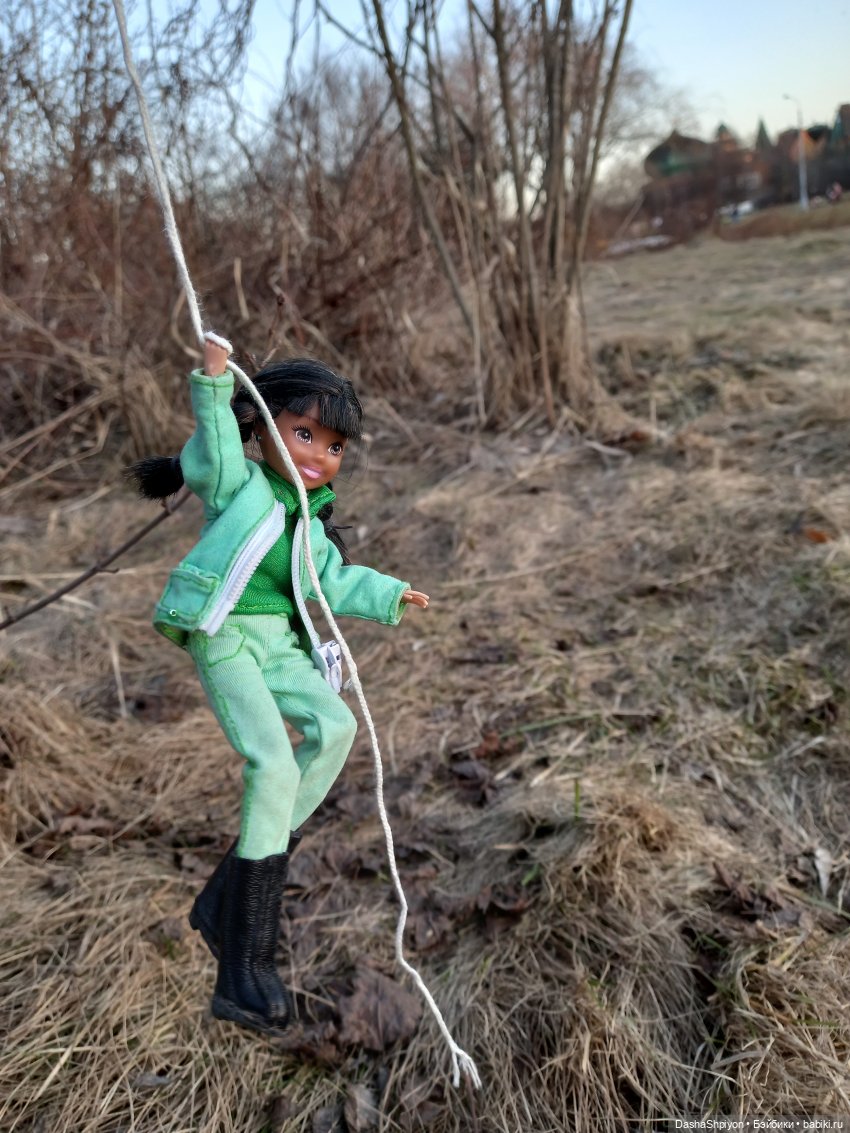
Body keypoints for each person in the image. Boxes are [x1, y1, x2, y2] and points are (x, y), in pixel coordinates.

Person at [130, 333, 429, 1038]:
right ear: (263, 427)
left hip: (282, 646)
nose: (318, 455)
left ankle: (226, 894)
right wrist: (213, 381)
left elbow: (333, 578)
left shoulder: (308, 517)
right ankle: (244, 964)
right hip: (227, 636)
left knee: (337, 727)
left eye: (334, 446)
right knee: (271, 762)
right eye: (303, 434)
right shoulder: (239, 485)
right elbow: (213, 450)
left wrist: (390, 593)